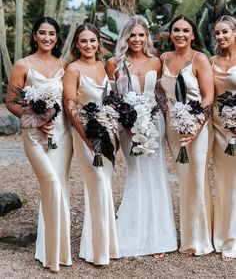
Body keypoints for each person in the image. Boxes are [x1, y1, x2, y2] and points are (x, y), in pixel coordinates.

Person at [105, 16, 177, 257]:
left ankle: (158, 237)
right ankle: (131, 232)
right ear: (125, 37)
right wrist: (121, 123)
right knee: (136, 171)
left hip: (155, 122)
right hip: (128, 127)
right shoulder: (114, 63)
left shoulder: (156, 62)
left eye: (141, 35)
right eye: (132, 35)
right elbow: (111, 98)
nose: (136, 39)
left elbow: (165, 93)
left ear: (147, 37)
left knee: (155, 174)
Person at [6, 16, 73, 272]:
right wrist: (33, 119)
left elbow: (70, 100)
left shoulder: (65, 65)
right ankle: (50, 254)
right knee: (51, 184)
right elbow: (12, 101)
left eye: (52, 33)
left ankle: (58, 249)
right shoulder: (23, 65)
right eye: (42, 33)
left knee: (61, 187)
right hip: (35, 137)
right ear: (34, 36)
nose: (47, 37)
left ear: (57, 37)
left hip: (62, 135)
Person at [63, 23, 119, 265]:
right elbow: (70, 105)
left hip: (107, 135)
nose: (88, 45)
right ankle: (98, 252)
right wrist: (88, 139)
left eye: (92, 40)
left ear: (99, 43)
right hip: (85, 136)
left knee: (105, 185)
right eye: (83, 41)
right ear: (76, 44)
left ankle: (102, 245)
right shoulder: (73, 69)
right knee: (98, 184)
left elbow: (112, 97)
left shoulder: (103, 66)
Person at [160, 15, 214, 255]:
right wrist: (166, 112)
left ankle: (200, 240)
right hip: (174, 128)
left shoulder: (199, 59)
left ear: (193, 35)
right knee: (184, 180)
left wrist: (195, 128)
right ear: (170, 34)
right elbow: (160, 92)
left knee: (198, 176)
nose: (180, 34)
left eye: (185, 30)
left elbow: (208, 97)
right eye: (175, 30)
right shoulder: (163, 58)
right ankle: (188, 235)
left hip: (198, 126)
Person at [210, 15, 236, 260]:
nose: (221, 37)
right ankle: (224, 235)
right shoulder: (211, 61)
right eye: (217, 33)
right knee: (224, 183)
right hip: (219, 131)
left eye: (225, 32)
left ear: (235, 32)